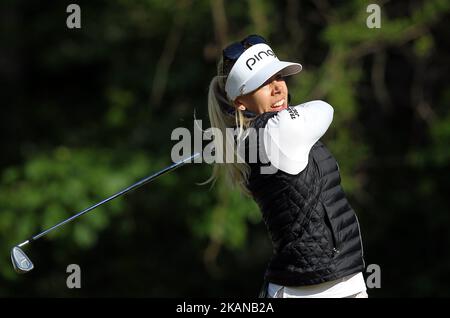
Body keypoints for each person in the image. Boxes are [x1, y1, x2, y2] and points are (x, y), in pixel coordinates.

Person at [206, 34, 367, 298]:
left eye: (278, 77)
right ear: (240, 102)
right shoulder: (276, 132)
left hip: (340, 281)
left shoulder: (257, 135)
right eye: (263, 83)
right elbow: (324, 108)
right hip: (310, 290)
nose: (278, 88)